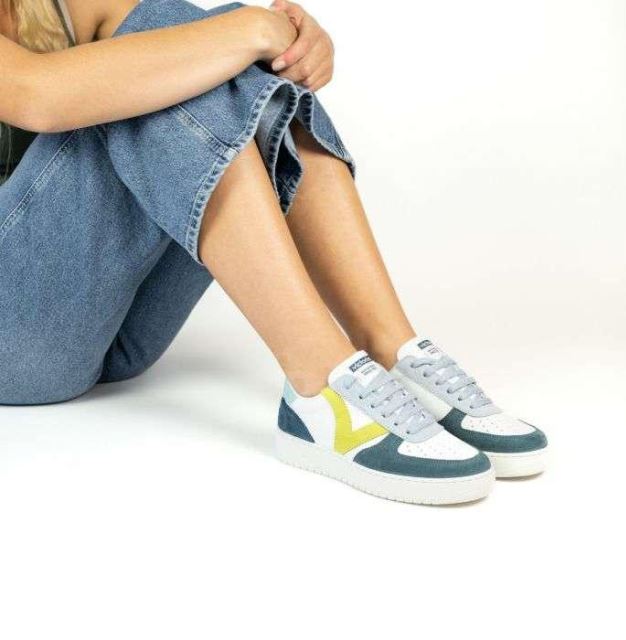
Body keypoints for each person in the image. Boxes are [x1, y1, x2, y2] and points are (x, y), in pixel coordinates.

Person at [0, 0, 547, 505]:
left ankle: (389, 353)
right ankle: (321, 384)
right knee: (194, 49)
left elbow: (178, 40)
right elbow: (38, 95)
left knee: (186, 43)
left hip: (110, 332)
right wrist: (251, 28)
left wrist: (285, 47)